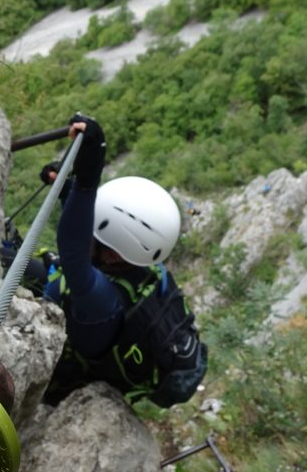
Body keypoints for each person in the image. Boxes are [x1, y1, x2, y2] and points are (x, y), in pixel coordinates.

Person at [38, 113, 206, 407]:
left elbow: (74, 249)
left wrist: (88, 178)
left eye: (95, 233)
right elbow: (83, 240)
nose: (88, 232)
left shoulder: (102, 300)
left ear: (113, 252)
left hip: (56, 383)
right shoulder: (144, 264)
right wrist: (68, 191)